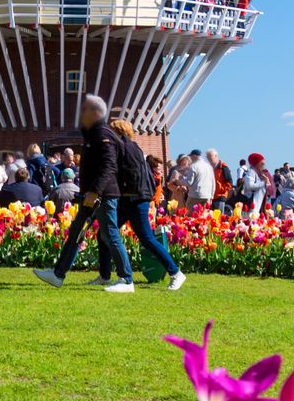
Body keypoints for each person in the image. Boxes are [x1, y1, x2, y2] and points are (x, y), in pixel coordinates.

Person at [37, 95, 138, 291]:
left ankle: (126, 279)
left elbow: (108, 166)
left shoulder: (103, 134)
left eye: (84, 110)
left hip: (102, 195)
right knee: (76, 231)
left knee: (110, 234)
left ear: (95, 113)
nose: (81, 114)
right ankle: (58, 274)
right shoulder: (94, 134)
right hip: (91, 194)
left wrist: (95, 191)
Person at [109, 117, 185, 290]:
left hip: (135, 199)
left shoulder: (125, 148)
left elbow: (127, 174)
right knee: (107, 232)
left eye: (112, 131)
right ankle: (105, 275)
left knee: (147, 238)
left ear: (119, 132)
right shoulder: (131, 147)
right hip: (131, 198)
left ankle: (176, 273)